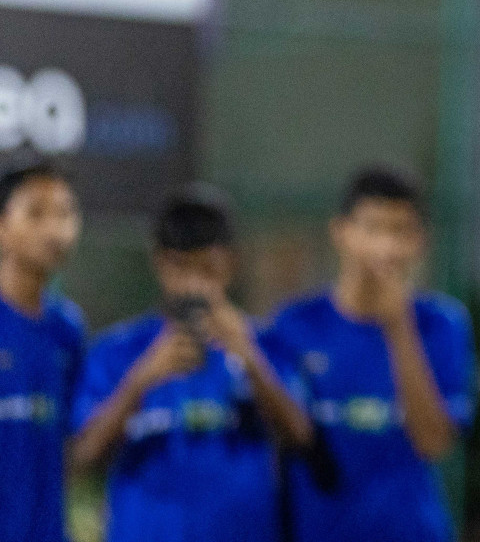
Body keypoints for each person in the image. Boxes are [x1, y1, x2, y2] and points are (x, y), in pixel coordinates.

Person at [72, 186, 311, 542]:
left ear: (230, 264)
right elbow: (85, 457)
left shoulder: (265, 344)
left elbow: (300, 436)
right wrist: (141, 380)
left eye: (208, 269)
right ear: (160, 264)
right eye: (181, 268)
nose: (195, 285)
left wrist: (249, 358)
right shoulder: (119, 351)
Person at [261, 165, 475, 542]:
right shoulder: (294, 326)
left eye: (400, 231)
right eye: (373, 228)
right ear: (340, 232)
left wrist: (398, 327)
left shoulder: (441, 325)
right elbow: (284, 435)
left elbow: (433, 442)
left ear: (420, 241)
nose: (386, 247)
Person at [0, 158, 84, 542]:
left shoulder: (68, 329)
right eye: (36, 213)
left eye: (65, 214)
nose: (55, 230)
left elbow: (73, 448)